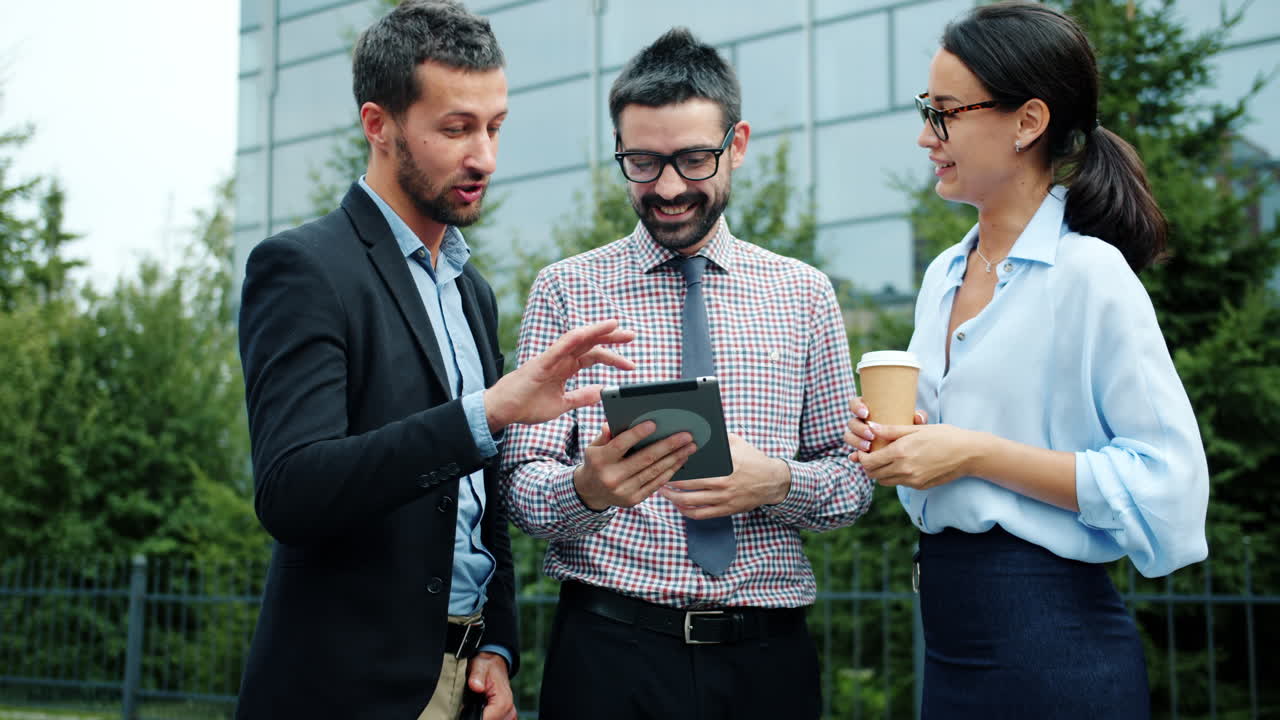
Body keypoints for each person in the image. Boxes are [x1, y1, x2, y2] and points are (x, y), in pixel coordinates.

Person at [234, 2, 636, 718]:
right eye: (456, 129)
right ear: (378, 124)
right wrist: (485, 413)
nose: (484, 156)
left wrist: (498, 644)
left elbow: (482, 497)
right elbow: (292, 491)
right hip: (346, 692)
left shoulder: (470, 290)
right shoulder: (302, 268)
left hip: (466, 681)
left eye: (494, 127)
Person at [843, 2, 1209, 718]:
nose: (925, 135)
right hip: (948, 644)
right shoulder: (942, 275)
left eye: (946, 112)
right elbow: (936, 450)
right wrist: (895, 440)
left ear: (1027, 121)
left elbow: (1170, 487)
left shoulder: (1089, 274)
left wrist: (974, 454)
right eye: (925, 109)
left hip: (1056, 650)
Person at [500, 27, 872, 720]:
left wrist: (778, 482)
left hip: (767, 663)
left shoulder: (804, 294)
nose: (668, 188)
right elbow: (519, 490)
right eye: (642, 163)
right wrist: (586, 489)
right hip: (609, 655)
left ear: (738, 144)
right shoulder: (565, 291)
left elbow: (852, 485)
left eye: (694, 160)